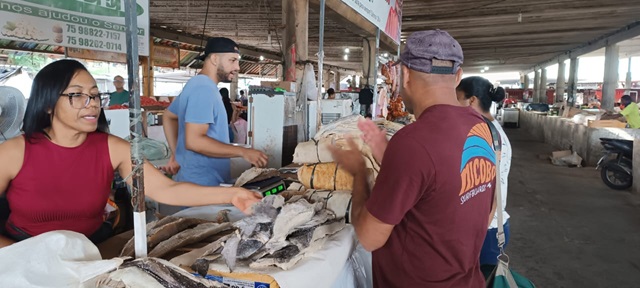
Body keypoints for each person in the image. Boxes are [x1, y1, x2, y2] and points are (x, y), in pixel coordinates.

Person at [0, 59, 261, 249]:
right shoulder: (15, 152)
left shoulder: (113, 148)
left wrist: (231, 194)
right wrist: (16, 253)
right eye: (77, 96)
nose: (91, 104)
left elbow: (166, 190)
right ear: (47, 104)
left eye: (94, 95)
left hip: (90, 250)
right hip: (21, 250)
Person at [329, 30, 497, 287]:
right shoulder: (481, 128)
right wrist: (389, 155)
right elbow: (479, 206)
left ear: (404, 74)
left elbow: (369, 238)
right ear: (458, 75)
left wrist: (360, 174)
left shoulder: (412, 141)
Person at [162, 37, 268, 186]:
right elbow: (195, 141)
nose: (238, 67)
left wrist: (177, 154)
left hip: (197, 179)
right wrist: (243, 152)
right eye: (232, 60)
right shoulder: (203, 89)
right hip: (201, 184)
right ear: (214, 59)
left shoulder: (197, 84)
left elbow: (169, 116)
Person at [456, 76, 512, 277]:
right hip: (488, 228)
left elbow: (492, 187)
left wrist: (476, 236)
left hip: (485, 231)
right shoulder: (492, 129)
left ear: (471, 101)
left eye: (458, 99)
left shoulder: (485, 133)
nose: (455, 105)